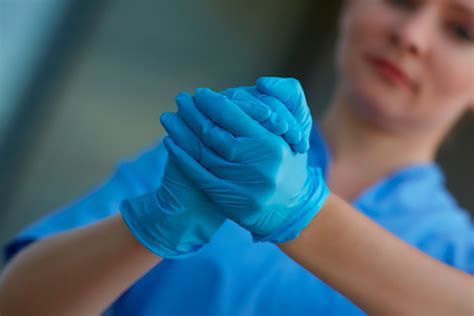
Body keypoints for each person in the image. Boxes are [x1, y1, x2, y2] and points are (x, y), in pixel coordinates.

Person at [1, 0, 473, 315]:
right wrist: (148, 229)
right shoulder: (211, 156)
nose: (410, 35)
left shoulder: (457, 257)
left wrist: (301, 210)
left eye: (460, 30)